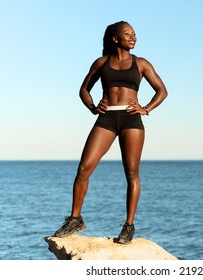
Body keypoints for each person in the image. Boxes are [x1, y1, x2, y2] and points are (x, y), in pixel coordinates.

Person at [53, 21, 168, 244]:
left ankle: (128, 226)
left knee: (132, 174)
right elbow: (84, 89)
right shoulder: (101, 62)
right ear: (116, 38)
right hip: (105, 118)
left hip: (131, 119)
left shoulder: (142, 63)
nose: (133, 37)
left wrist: (146, 109)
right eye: (128, 34)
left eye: (134, 34)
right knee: (84, 168)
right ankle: (75, 219)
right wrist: (92, 107)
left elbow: (162, 90)